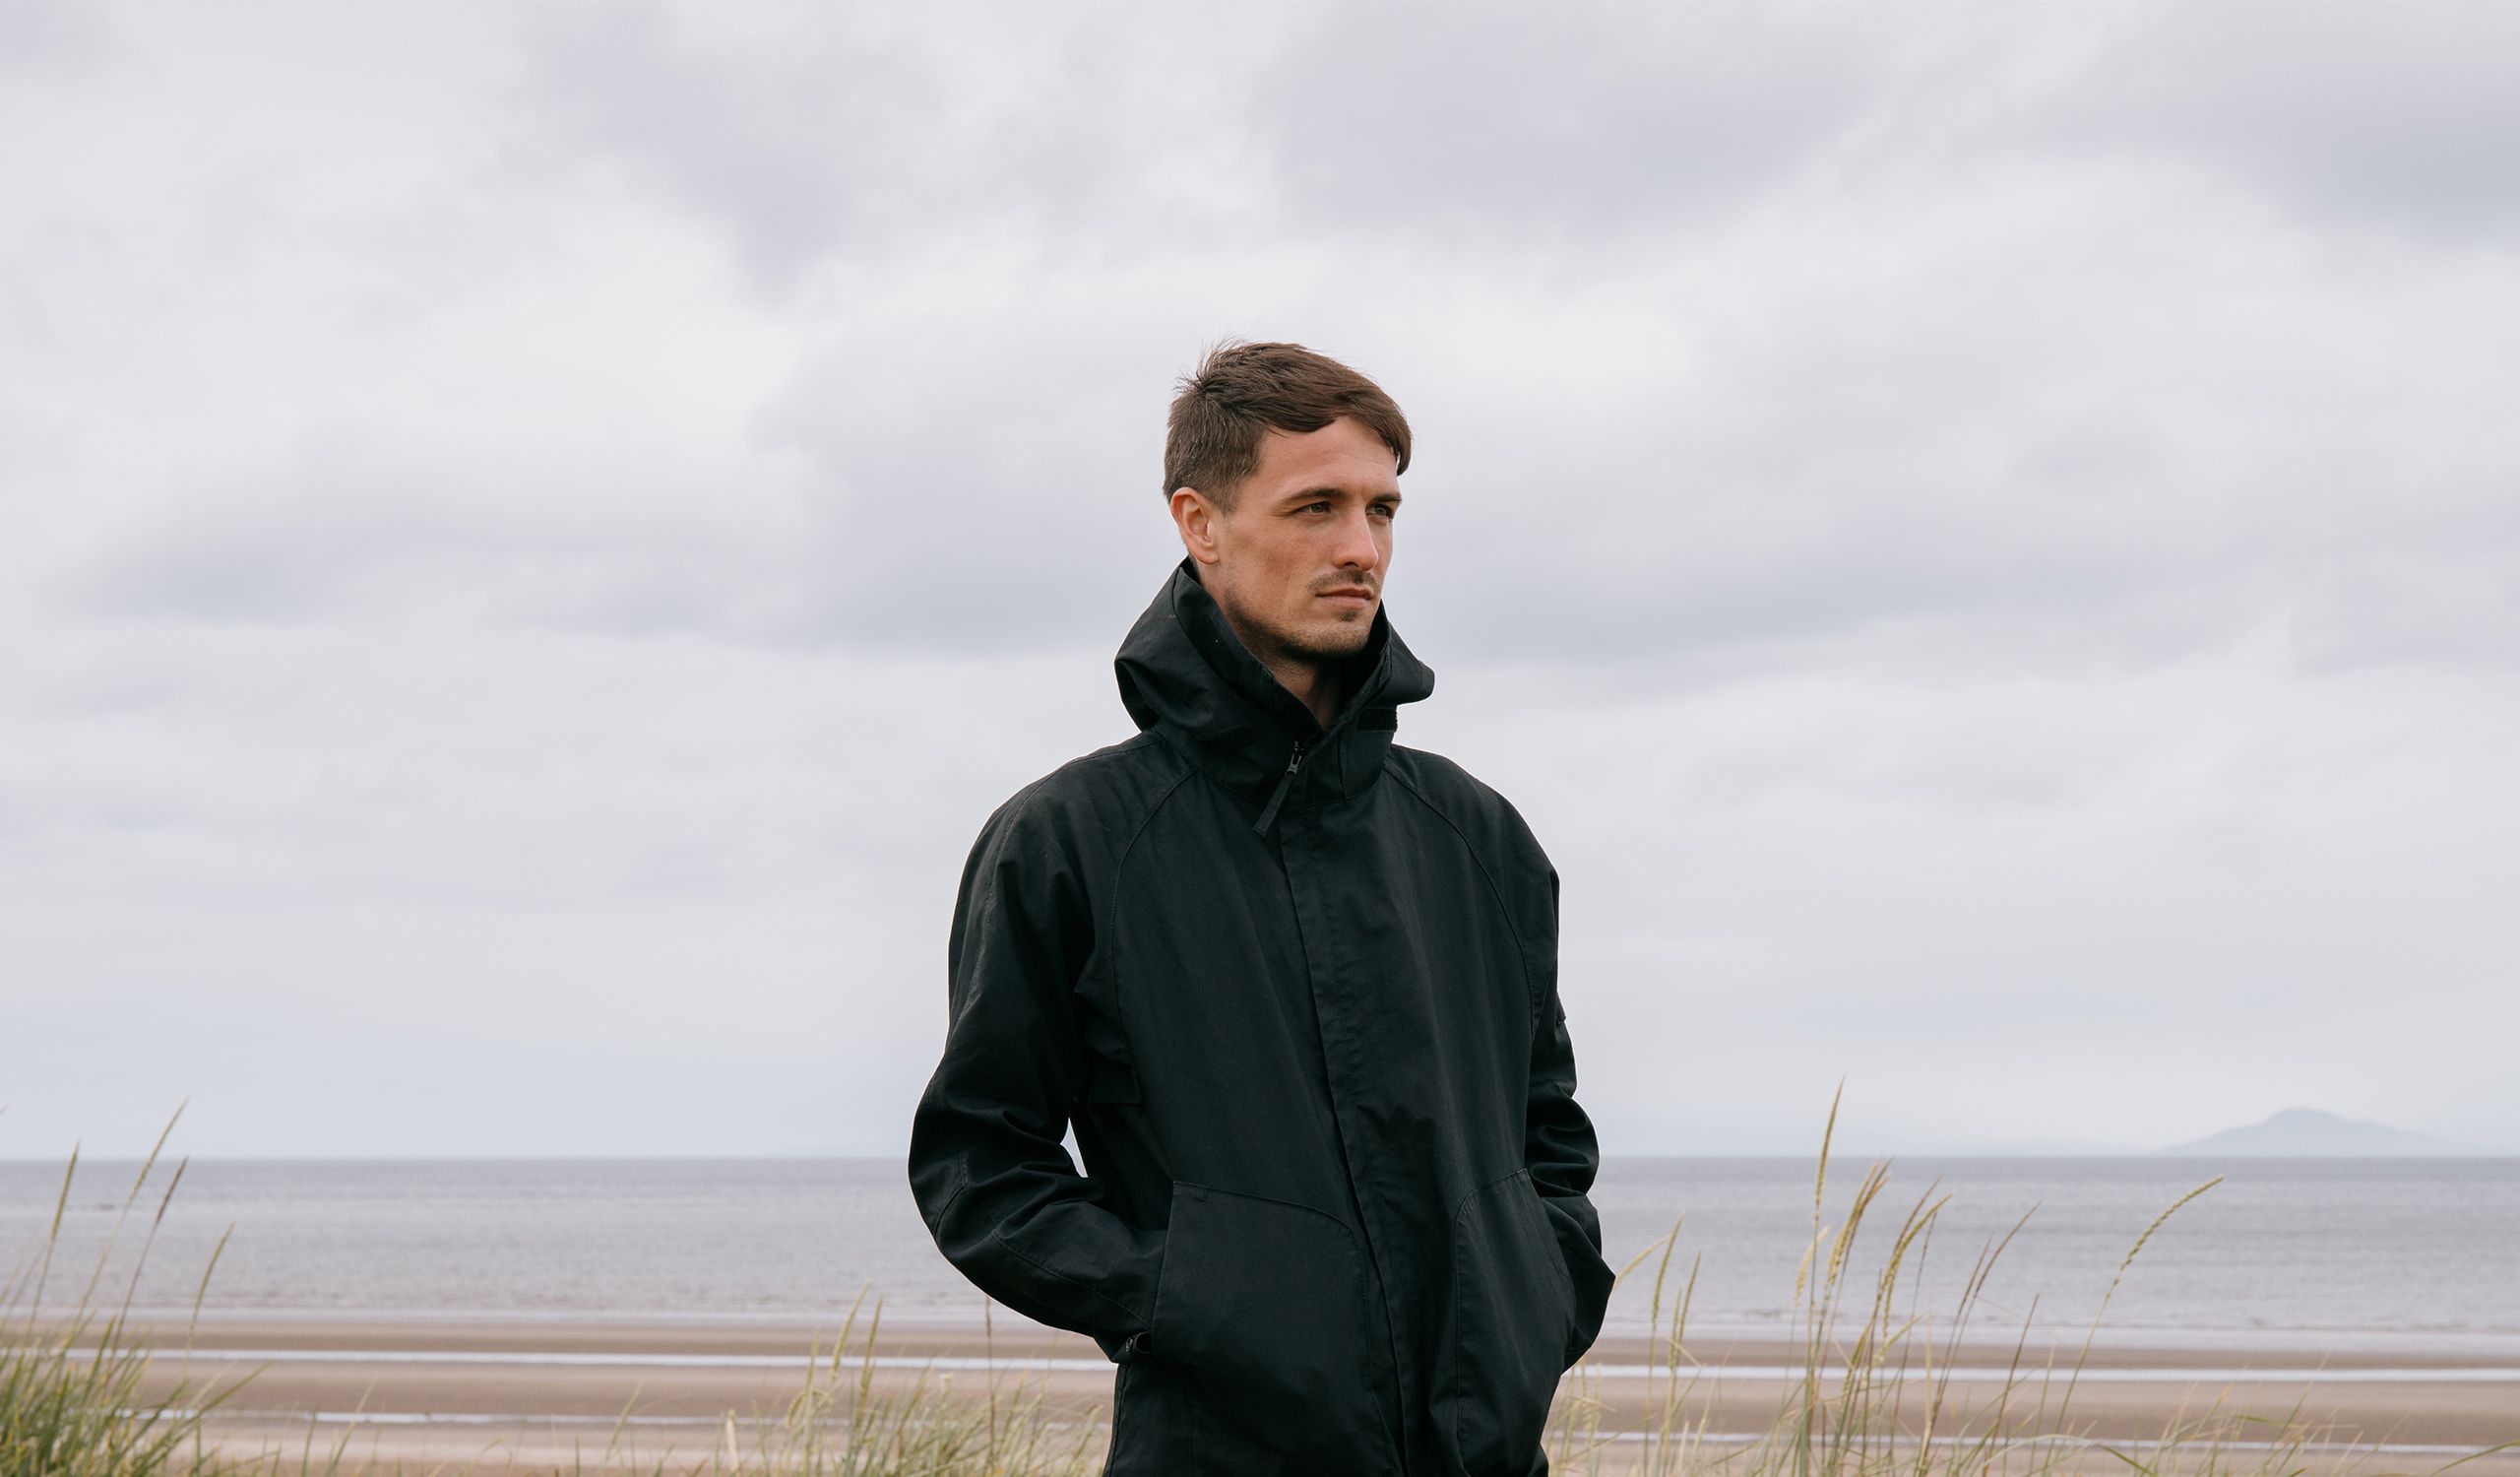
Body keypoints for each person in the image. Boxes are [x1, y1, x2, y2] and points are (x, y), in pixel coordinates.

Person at [905, 340, 1614, 1476]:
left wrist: (1542, 1289)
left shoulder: (1476, 838)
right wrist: (1187, 1299)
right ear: (1201, 522)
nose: (1359, 548)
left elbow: (1548, 1136)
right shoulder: (1073, 842)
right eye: (1315, 506)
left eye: (1382, 509)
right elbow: (981, 1168)